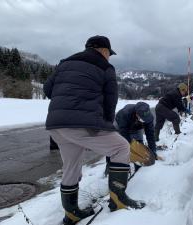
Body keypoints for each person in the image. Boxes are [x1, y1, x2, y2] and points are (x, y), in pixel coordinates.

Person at [43, 35, 145, 225]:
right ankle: (118, 199)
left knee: (71, 166)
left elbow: (47, 90)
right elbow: (110, 100)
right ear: (104, 50)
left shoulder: (64, 63)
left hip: (56, 126)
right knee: (121, 148)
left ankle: (72, 213)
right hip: (84, 123)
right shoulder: (105, 67)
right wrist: (106, 124)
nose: (109, 57)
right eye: (109, 53)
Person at [105, 102, 156, 175]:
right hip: (120, 125)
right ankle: (109, 164)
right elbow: (124, 133)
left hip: (136, 127)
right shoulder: (125, 113)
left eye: (145, 119)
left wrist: (153, 151)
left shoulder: (149, 118)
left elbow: (150, 134)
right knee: (115, 144)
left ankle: (138, 166)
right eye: (142, 118)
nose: (144, 120)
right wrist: (131, 146)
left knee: (139, 145)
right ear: (136, 114)